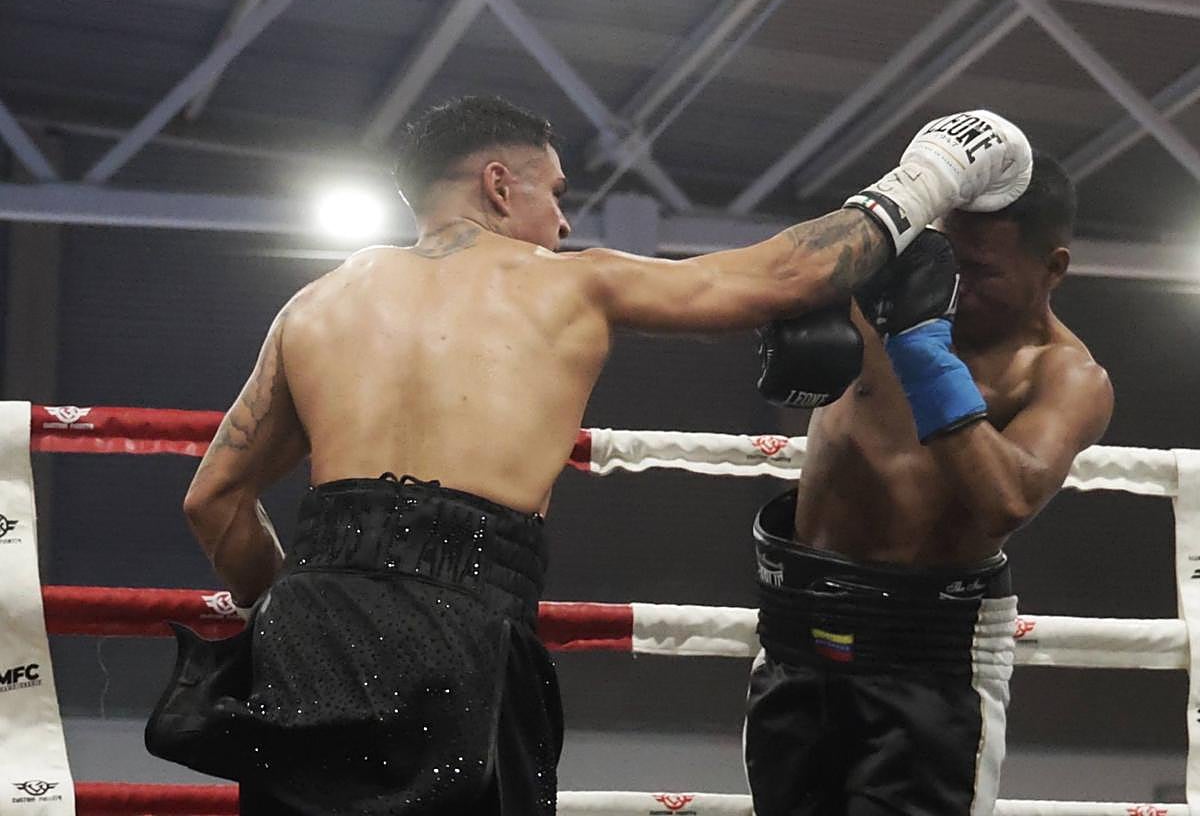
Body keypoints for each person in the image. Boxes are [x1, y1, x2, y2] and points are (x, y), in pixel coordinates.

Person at [143, 96, 1031, 815]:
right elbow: (784, 277)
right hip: (459, 628)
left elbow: (212, 503)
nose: (564, 222)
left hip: (308, 630)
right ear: (499, 184)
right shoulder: (571, 282)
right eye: (555, 192)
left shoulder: (314, 305)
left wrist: (296, 619)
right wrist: (930, 175)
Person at [744, 151, 1114, 816]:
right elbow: (768, 278)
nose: (954, 285)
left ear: (1052, 267)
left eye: (981, 271)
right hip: (796, 631)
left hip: (928, 659)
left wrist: (923, 356)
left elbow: (1008, 500)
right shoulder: (878, 294)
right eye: (947, 257)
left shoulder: (1063, 376)